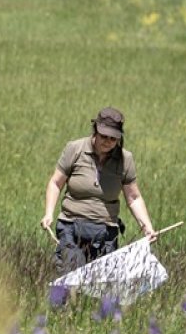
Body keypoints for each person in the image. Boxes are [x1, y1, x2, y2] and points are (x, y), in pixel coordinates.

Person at [40, 107, 155, 275]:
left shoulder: (125, 160)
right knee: (70, 277)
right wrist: (49, 213)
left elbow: (133, 197)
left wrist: (147, 227)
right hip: (71, 227)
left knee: (102, 283)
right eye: (103, 136)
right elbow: (56, 183)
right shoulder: (75, 149)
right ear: (95, 131)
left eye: (113, 138)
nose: (107, 141)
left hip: (105, 232)